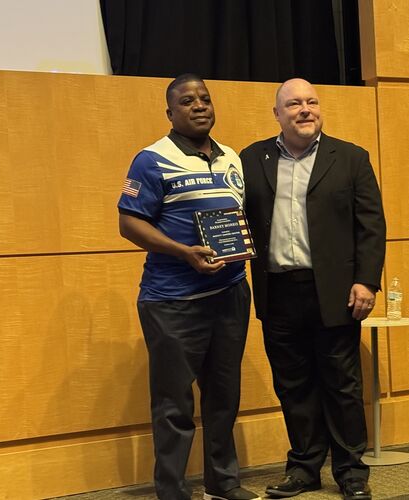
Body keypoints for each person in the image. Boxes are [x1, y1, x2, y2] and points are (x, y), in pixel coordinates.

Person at [240, 78, 386, 500]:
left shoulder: (351, 158)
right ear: (277, 114)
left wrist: (367, 280)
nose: (304, 110)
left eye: (311, 102)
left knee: (342, 383)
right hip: (278, 290)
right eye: (293, 104)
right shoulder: (253, 158)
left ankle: (351, 472)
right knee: (292, 383)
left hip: (336, 291)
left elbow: (371, 226)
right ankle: (304, 467)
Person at [117, 74, 260, 500]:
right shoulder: (151, 159)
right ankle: (173, 491)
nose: (199, 106)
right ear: (170, 113)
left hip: (230, 295)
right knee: (174, 405)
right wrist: (184, 252)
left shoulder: (232, 158)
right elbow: (129, 223)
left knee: (223, 397)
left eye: (204, 98)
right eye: (186, 101)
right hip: (172, 302)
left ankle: (223, 482)